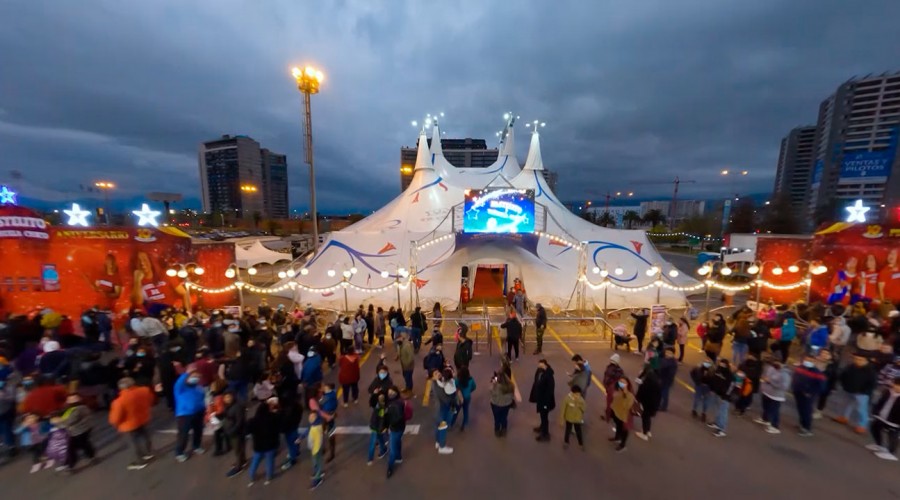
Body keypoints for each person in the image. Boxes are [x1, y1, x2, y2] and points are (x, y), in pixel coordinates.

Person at [108, 377, 154, 470]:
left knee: (133, 443)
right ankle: (148, 453)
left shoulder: (119, 401)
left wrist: (114, 423)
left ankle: (139, 461)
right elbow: (151, 400)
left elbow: (115, 418)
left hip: (128, 425)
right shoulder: (145, 390)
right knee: (145, 436)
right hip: (143, 418)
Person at [834, 352, 878, 434]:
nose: (858, 361)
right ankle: (844, 417)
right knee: (845, 404)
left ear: (866, 361)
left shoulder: (870, 371)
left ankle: (862, 425)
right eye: (856, 359)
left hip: (861, 393)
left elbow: (872, 384)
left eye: (860, 359)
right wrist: (844, 384)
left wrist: (865, 391)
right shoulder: (851, 366)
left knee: (861, 409)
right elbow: (843, 375)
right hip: (848, 389)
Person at [53, 394, 95, 472]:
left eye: (74, 398)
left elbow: (71, 420)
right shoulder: (70, 409)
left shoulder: (80, 408)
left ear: (78, 399)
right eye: (70, 399)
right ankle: (88, 458)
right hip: (76, 431)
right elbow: (65, 418)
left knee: (76, 447)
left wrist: (59, 422)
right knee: (80, 446)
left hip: (80, 431)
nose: (71, 400)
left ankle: (72, 465)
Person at [173, 367, 206, 461]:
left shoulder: (198, 388)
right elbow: (180, 381)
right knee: (183, 434)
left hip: (198, 412)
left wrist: (204, 409)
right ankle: (179, 452)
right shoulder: (180, 388)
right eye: (194, 376)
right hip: (184, 414)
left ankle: (197, 446)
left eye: (198, 377)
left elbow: (202, 398)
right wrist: (186, 373)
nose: (196, 378)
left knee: (198, 431)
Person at [247, 397, 281, 487]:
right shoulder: (273, 418)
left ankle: (251, 475)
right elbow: (278, 429)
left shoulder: (253, 421)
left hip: (258, 445)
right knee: (269, 461)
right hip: (270, 445)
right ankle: (269, 476)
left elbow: (247, 430)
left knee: (256, 460)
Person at [792, 354, 828, 437]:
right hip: (798, 392)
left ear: (814, 362)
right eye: (806, 360)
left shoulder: (817, 373)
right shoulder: (800, 368)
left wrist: (810, 392)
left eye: (810, 360)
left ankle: (807, 428)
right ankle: (802, 424)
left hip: (808, 395)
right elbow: (795, 378)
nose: (808, 362)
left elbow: (821, 386)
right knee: (800, 409)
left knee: (807, 411)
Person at [755, 356, 791, 434]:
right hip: (767, 392)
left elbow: (784, 386)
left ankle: (775, 426)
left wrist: (770, 382)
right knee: (765, 407)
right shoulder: (771, 368)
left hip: (776, 396)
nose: (774, 364)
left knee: (774, 411)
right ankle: (765, 419)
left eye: (776, 362)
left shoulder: (785, 374)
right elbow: (766, 376)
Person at [867, 376, 900, 461]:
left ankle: (891, 453)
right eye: (895, 384)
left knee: (892, 436)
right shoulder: (888, 392)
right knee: (874, 428)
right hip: (882, 416)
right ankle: (879, 445)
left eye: (898, 385)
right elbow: (880, 401)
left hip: (895, 421)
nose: (896, 386)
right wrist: (875, 411)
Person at [220, 390, 247, 477]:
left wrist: (231, 431)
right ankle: (243, 461)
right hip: (232, 431)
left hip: (236, 433)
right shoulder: (228, 406)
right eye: (225, 397)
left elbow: (239, 422)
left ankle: (239, 467)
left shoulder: (237, 407)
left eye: (229, 397)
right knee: (239, 448)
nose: (227, 399)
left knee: (237, 450)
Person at [529, 359, 556, 441]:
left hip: (545, 401)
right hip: (541, 399)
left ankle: (545, 434)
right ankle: (542, 428)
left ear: (544, 364)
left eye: (539, 364)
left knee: (544, 417)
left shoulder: (549, 376)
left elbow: (550, 390)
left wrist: (545, 403)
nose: (538, 365)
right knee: (542, 415)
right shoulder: (541, 371)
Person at [706, 359, 734, 438]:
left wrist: (724, 397)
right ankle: (717, 423)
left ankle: (722, 429)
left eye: (724, 365)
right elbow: (714, 381)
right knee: (717, 410)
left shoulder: (729, 375)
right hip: (717, 394)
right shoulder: (718, 371)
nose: (722, 366)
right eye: (721, 364)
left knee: (723, 412)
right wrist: (712, 390)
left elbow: (730, 388)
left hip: (724, 397)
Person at [432, 368, 456, 454]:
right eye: (435, 374)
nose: (438, 374)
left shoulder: (435, 383)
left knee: (438, 427)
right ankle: (442, 447)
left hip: (438, 410)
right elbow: (447, 399)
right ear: (432, 377)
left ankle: (438, 442)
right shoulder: (439, 387)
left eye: (438, 372)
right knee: (443, 428)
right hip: (442, 410)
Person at [634, 366, 661, 441]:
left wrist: (637, 399)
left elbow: (640, 393)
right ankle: (647, 430)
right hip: (654, 404)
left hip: (647, 403)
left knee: (645, 417)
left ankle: (644, 434)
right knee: (648, 417)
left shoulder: (646, 383)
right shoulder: (657, 381)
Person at [384, 386, 406, 478]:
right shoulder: (400, 402)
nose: (390, 394)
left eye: (392, 392)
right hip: (401, 427)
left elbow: (395, 417)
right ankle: (399, 456)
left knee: (392, 448)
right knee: (398, 440)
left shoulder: (394, 404)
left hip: (395, 428)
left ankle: (390, 467)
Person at [609, 377, 635, 452]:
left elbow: (627, 406)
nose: (621, 383)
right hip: (616, 412)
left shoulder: (629, 395)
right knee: (618, 426)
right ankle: (617, 437)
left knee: (624, 430)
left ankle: (622, 445)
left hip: (624, 416)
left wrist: (625, 393)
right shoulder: (617, 390)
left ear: (628, 384)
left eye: (624, 382)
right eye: (620, 381)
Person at [490, 371, 516, 437]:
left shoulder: (497, 386)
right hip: (507, 404)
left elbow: (492, 393)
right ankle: (504, 429)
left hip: (496, 404)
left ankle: (497, 431)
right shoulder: (511, 385)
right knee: (504, 417)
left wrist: (493, 384)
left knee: (497, 418)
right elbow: (512, 395)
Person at [561, 385, 586, 450]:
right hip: (569, 418)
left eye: (579, 394)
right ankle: (566, 442)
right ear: (572, 393)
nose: (578, 395)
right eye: (577, 394)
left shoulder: (581, 400)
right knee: (567, 430)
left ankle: (580, 444)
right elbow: (563, 409)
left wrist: (579, 404)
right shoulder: (567, 399)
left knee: (578, 431)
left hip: (577, 419)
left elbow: (584, 409)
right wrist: (561, 420)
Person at [452, 366, 476, 431]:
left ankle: (452, 423)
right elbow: (474, 387)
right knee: (466, 411)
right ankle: (464, 425)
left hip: (459, 398)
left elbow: (454, 388)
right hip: (467, 397)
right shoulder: (471, 380)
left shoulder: (457, 380)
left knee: (456, 411)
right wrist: (468, 391)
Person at [366, 393, 388, 465]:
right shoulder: (379, 407)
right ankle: (383, 450)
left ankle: (370, 459)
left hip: (376, 428)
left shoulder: (380, 409)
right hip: (377, 428)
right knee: (380, 439)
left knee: (372, 444)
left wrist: (379, 428)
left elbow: (380, 420)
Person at [603, 354, 625, 421]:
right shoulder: (620, 370)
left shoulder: (610, 369)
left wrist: (606, 388)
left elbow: (607, 380)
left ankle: (608, 416)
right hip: (617, 389)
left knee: (609, 403)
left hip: (611, 388)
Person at [308, 412, 325, 490]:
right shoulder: (317, 425)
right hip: (317, 448)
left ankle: (317, 479)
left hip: (315, 449)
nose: (309, 419)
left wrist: (312, 448)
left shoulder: (314, 429)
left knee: (316, 463)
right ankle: (318, 473)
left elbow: (313, 441)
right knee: (317, 462)